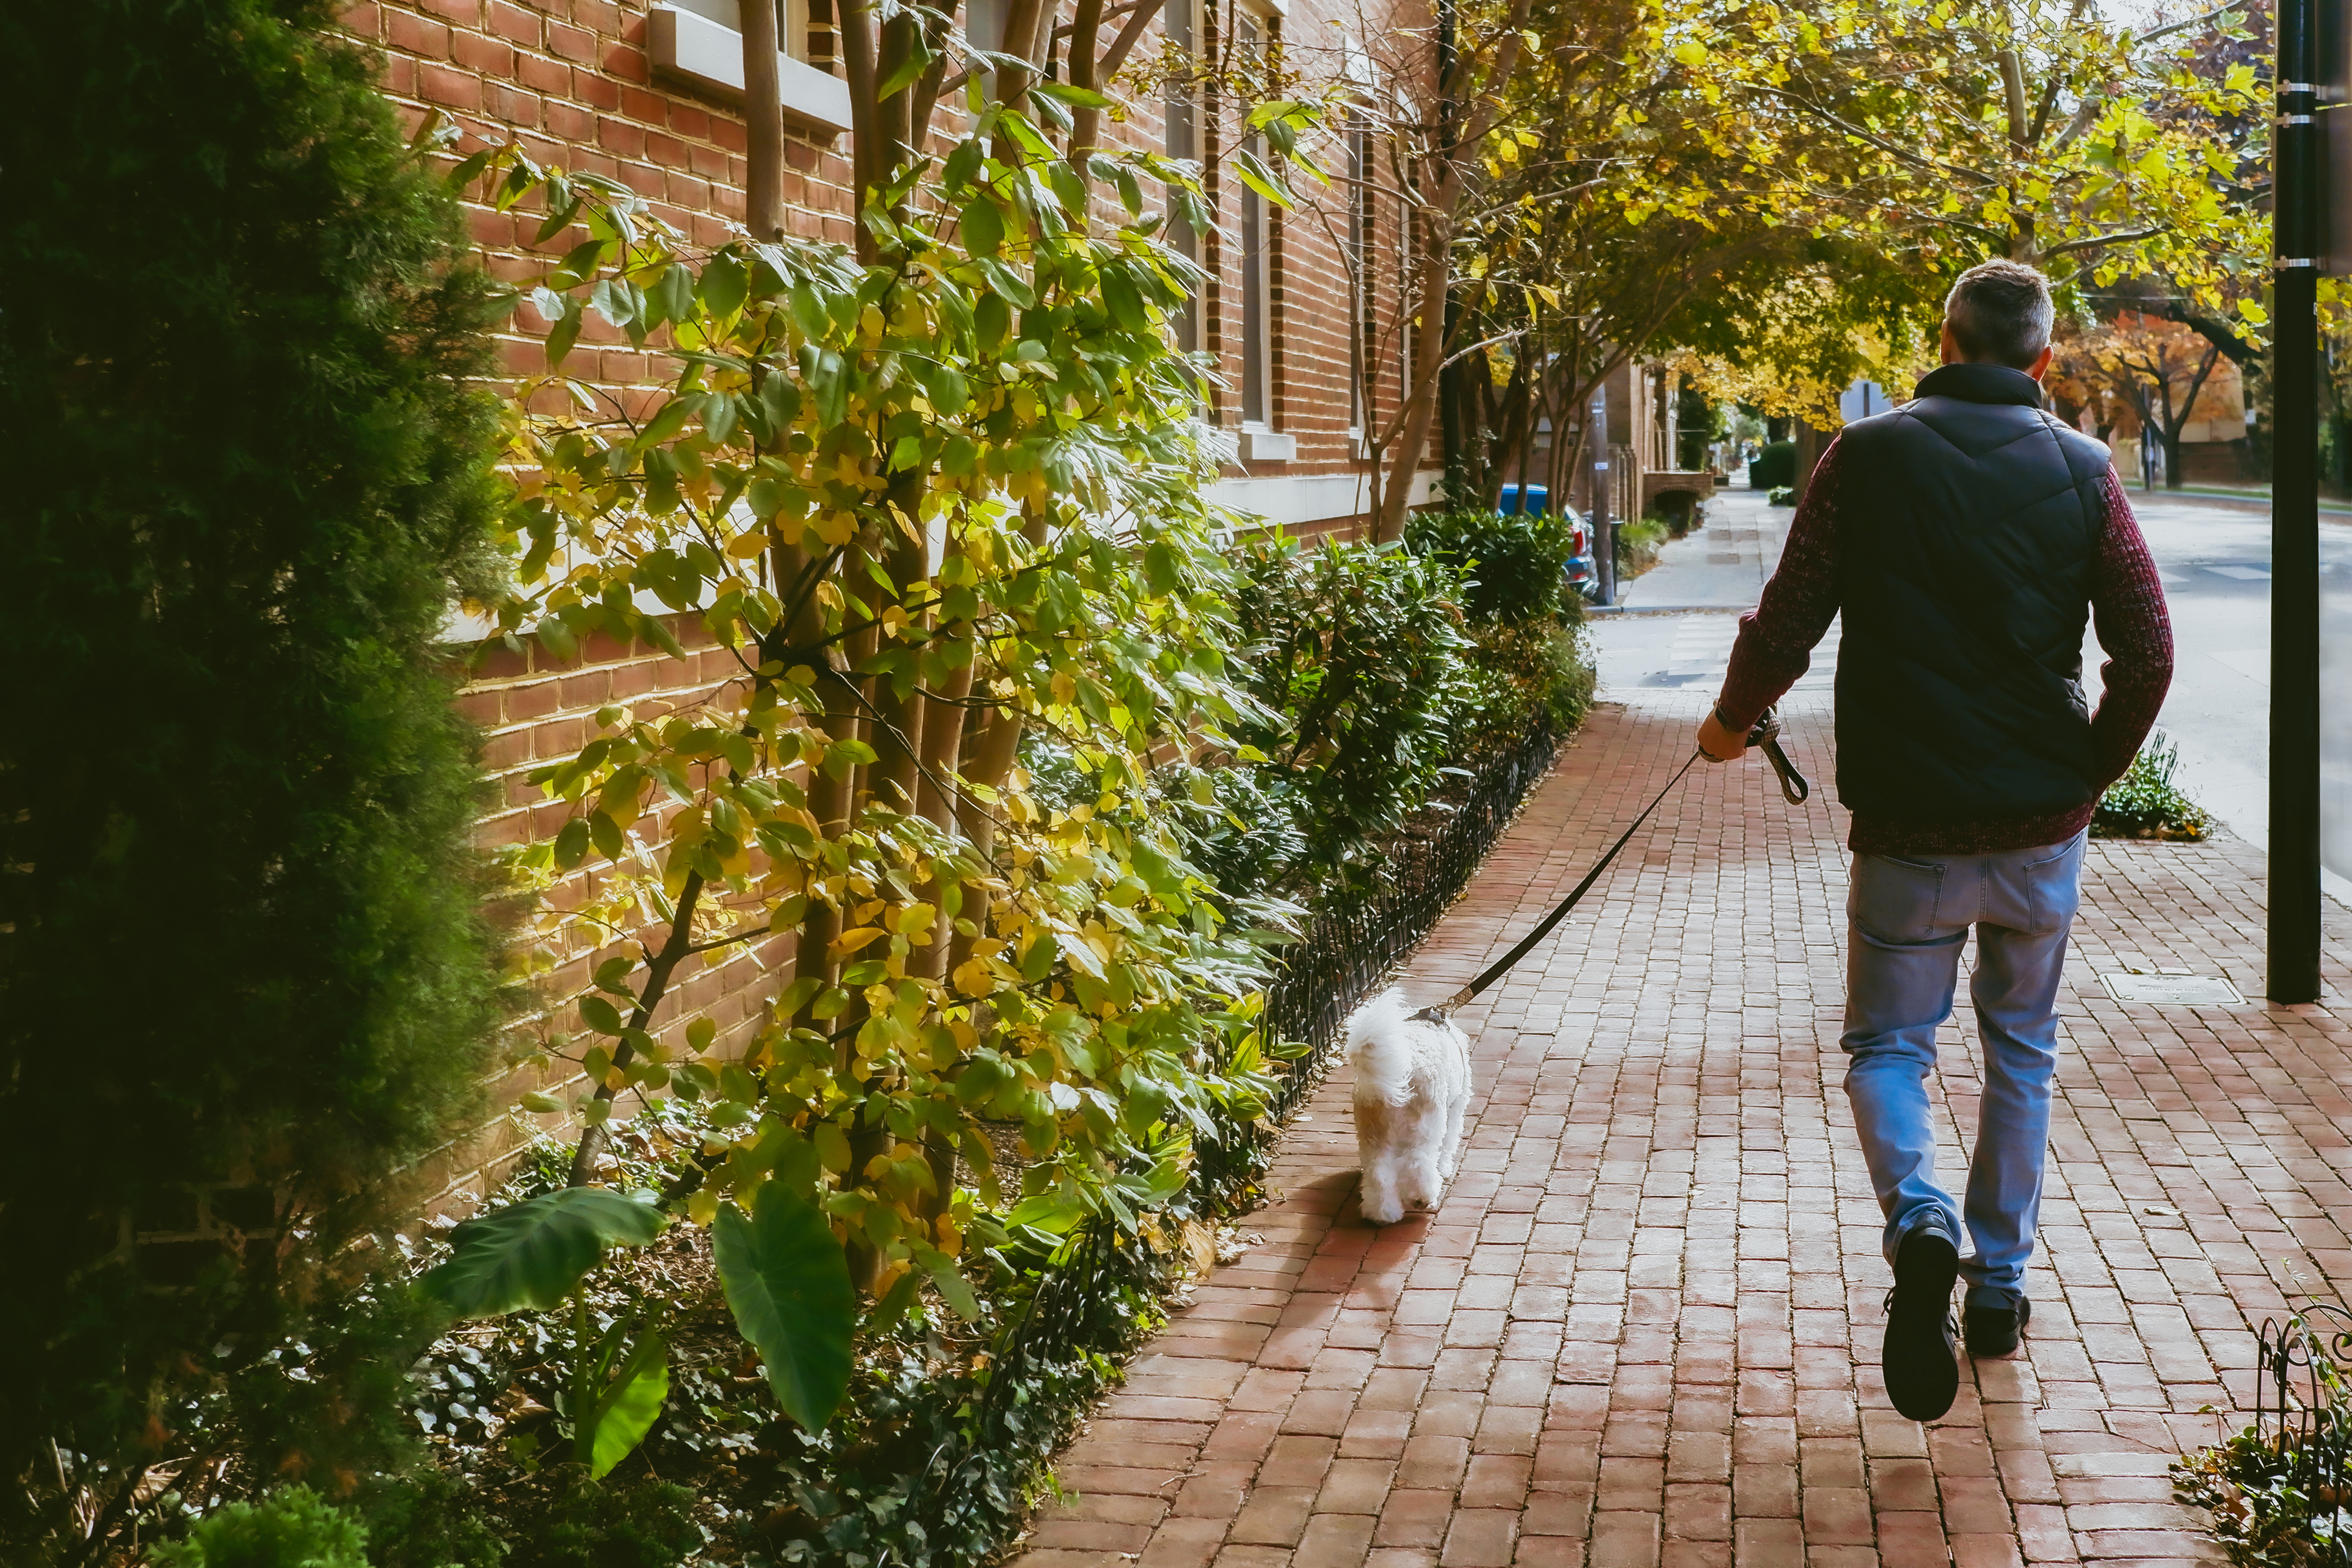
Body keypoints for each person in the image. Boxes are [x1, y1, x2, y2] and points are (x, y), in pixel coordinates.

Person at [1695, 260, 2174, 1422]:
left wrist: (1726, 724)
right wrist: (2084, 777)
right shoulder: (2085, 470)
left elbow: (1786, 619)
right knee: (2020, 1048)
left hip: (1907, 824)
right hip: (2036, 830)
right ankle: (1998, 1283)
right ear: (2042, 362)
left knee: (1887, 1045)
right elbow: (2145, 652)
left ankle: (1919, 1217)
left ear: (1944, 342)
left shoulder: (1866, 456)